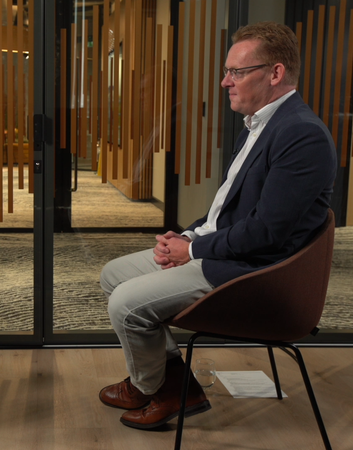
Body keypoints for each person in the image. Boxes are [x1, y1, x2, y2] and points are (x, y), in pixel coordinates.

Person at [98, 22, 337, 430]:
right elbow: (226, 210)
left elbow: (266, 233)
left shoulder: (302, 135)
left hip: (256, 272)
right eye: (227, 72)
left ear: (275, 73)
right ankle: (169, 384)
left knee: (126, 305)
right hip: (230, 254)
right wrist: (187, 235)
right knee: (113, 274)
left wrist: (191, 251)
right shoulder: (260, 125)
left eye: (237, 72)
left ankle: (159, 388)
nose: (225, 81)